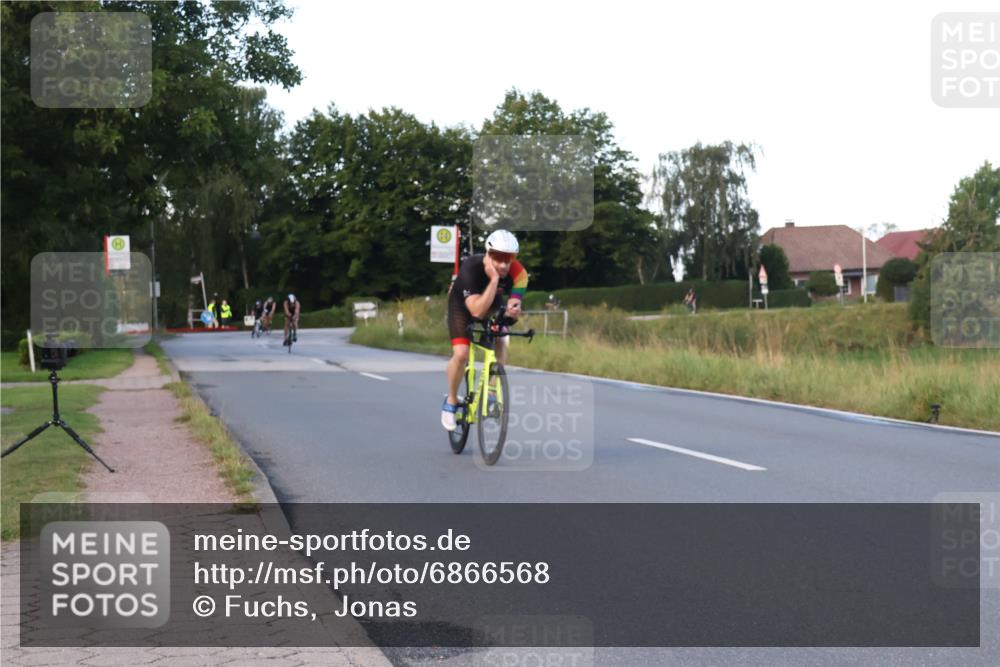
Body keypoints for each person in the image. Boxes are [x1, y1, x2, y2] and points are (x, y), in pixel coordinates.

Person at [442, 229, 528, 431]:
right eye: (498, 259)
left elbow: (516, 296)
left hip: (491, 303)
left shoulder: (519, 273)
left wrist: (514, 308)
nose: (504, 265)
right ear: (488, 255)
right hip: (462, 307)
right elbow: (477, 312)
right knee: (461, 354)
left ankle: (490, 391)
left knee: (502, 337)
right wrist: (495, 279)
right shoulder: (470, 268)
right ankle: (452, 400)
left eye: (509, 259)